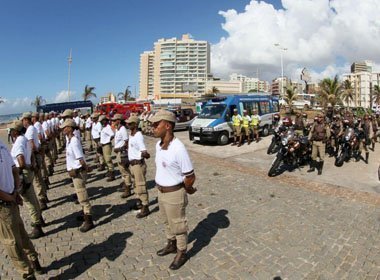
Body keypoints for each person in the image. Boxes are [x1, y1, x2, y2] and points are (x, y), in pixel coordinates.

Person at [150, 110, 196, 270]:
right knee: (167, 221)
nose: (153, 127)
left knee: (178, 224)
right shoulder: (159, 145)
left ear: (167, 126)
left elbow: (190, 175)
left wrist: (188, 189)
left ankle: (181, 251)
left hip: (175, 193)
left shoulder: (178, 148)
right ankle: (171, 243)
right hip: (161, 192)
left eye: (157, 124)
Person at [0, 138, 45, 279]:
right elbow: (14, 170)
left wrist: (13, 195)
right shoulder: (2, 144)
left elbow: (14, 169)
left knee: (12, 242)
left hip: (5, 203)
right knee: (21, 235)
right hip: (10, 198)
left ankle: (28, 273)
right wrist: (15, 191)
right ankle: (34, 262)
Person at [9, 120, 46, 239]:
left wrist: (24, 168)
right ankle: (39, 218)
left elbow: (21, 160)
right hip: (28, 172)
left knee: (29, 201)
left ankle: (37, 226)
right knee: (32, 197)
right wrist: (32, 166)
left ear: (15, 131)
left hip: (23, 173)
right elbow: (30, 155)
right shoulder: (24, 139)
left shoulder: (19, 142)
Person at [60, 119, 94, 232]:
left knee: (82, 196)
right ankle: (84, 214)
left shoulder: (74, 141)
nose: (63, 129)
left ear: (70, 128)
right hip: (74, 172)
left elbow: (80, 159)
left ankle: (88, 220)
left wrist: (86, 168)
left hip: (78, 172)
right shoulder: (69, 140)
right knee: (80, 196)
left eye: (65, 127)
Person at [22, 112, 48, 211]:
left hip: (34, 155)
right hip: (37, 154)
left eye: (23, 120)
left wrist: (33, 154)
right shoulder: (32, 128)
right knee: (39, 178)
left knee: (37, 179)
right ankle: (43, 197)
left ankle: (42, 199)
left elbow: (31, 144)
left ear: (26, 120)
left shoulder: (30, 129)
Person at [125, 115, 151, 218]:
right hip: (133, 164)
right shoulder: (132, 134)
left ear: (135, 124)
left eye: (130, 123)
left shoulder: (138, 135)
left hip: (138, 164)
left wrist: (145, 155)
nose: (128, 125)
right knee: (136, 185)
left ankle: (145, 206)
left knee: (141, 185)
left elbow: (143, 151)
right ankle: (139, 202)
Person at [112, 114, 133, 197]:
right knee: (122, 171)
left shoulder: (122, 129)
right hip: (118, 152)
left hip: (122, 152)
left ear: (119, 121)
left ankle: (128, 188)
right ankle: (125, 185)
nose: (112, 122)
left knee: (125, 171)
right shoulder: (118, 129)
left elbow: (126, 142)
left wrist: (121, 150)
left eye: (114, 120)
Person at [99, 115, 115, 181]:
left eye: (102, 121)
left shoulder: (108, 127)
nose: (101, 122)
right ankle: (109, 171)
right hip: (103, 145)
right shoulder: (103, 127)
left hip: (107, 145)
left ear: (105, 120)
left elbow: (112, 135)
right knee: (105, 159)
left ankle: (112, 174)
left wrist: (107, 141)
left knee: (108, 159)